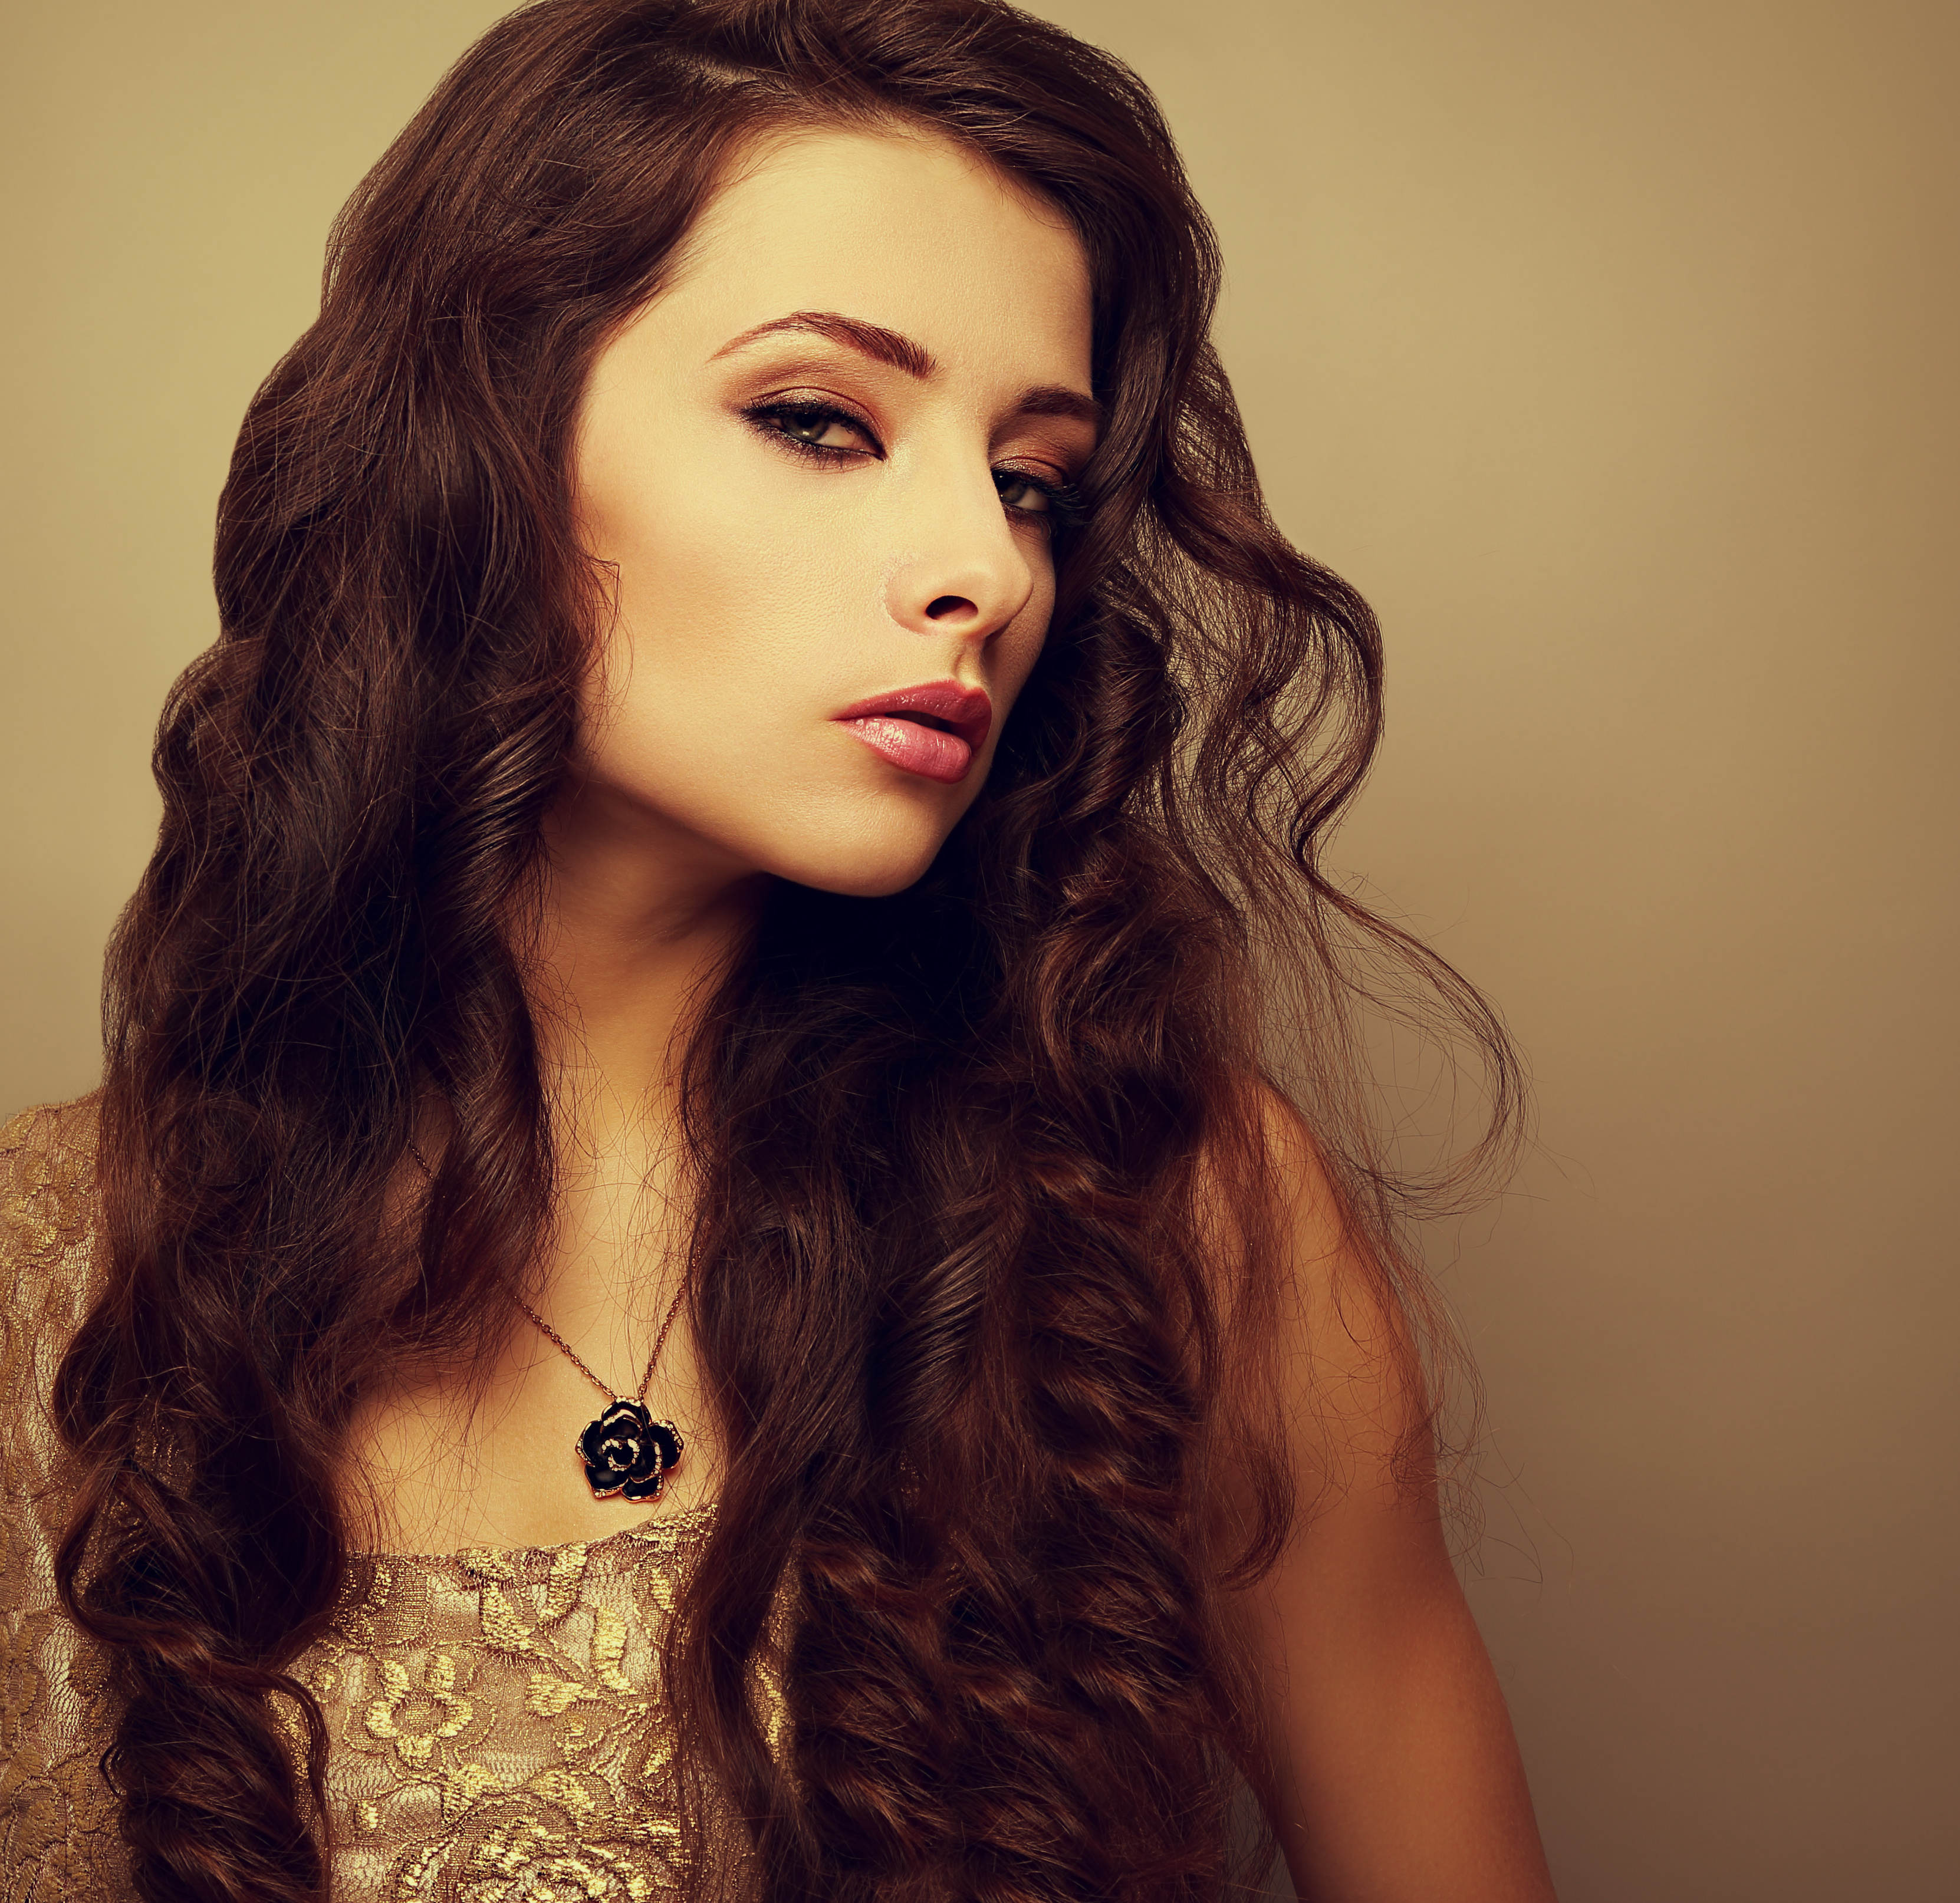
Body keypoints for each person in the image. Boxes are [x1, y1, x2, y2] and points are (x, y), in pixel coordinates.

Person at [0, 1, 1557, 1897]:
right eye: (820, 420)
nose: (982, 568)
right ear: (480, 442)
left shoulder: (1167, 1209)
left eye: (1031, 477)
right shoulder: (48, 1269)